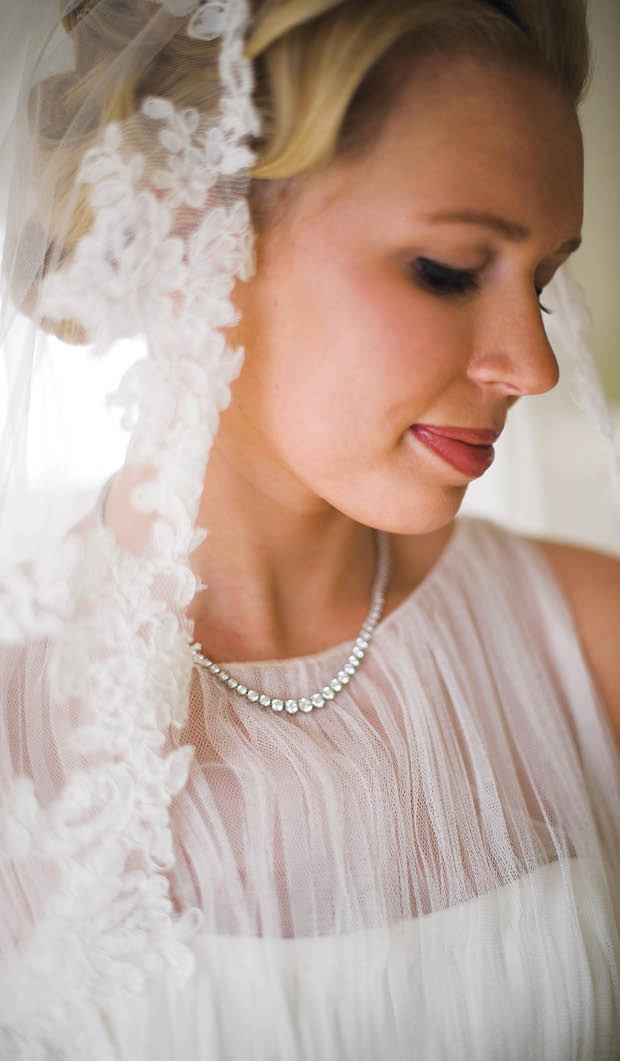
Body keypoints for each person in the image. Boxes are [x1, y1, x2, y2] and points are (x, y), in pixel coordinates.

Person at [0, 0, 618, 1057]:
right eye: (448, 269)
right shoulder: (19, 707)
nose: (533, 364)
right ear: (196, 233)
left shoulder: (596, 638)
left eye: (543, 280)